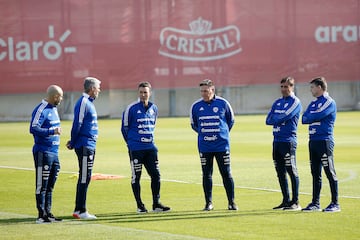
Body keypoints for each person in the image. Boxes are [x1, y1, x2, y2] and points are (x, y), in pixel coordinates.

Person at [121, 81, 171, 213]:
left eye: (145, 92)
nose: (143, 95)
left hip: (150, 148)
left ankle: (156, 204)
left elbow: (153, 124)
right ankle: (140, 205)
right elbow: (124, 128)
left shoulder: (154, 108)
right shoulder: (130, 108)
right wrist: (131, 143)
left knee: (156, 175)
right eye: (141, 92)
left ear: (150, 93)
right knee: (136, 176)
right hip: (136, 149)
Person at [190, 79, 238, 211]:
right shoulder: (196, 106)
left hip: (222, 146)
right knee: (206, 174)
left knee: (226, 174)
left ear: (212, 90)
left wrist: (221, 134)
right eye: (202, 91)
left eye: (206, 91)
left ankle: (231, 202)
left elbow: (231, 121)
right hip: (205, 146)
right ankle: (208, 203)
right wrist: (205, 134)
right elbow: (194, 124)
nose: (203, 94)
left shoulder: (223, 104)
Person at [301, 77, 340, 212]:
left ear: (319, 87)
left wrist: (313, 116)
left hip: (324, 140)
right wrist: (314, 116)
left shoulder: (329, 102)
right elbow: (304, 119)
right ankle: (315, 203)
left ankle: (335, 203)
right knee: (315, 173)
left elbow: (318, 115)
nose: (311, 90)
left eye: (312, 87)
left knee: (329, 171)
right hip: (313, 141)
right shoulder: (313, 103)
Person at [66, 77, 101, 219]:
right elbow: (77, 125)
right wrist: (73, 142)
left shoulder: (89, 103)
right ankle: (81, 210)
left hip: (89, 144)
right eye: (98, 87)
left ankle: (78, 209)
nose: (99, 90)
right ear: (92, 88)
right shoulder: (83, 103)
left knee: (85, 177)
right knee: (85, 177)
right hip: (85, 145)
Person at [266, 77, 302, 211]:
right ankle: (286, 200)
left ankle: (296, 201)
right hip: (276, 141)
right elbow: (268, 120)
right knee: (280, 172)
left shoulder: (295, 102)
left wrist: (277, 119)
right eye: (281, 87)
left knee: (291, 170)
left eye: (286, 87)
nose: (283, 89)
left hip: (288, 141)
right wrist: (277, 120)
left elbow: (285, 116)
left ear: (292, 87)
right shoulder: (277, 102)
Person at [30, 85, 64, 224]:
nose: (61, 99)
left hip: (54, 152)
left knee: (50, 185)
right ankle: (41, 215)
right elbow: (33, 128)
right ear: (55, 96)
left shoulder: (54, 109)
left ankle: (48, 213)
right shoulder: (41, 109)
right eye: (60, 96)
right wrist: (52, 131)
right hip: (43, 152)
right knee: (41, 185)